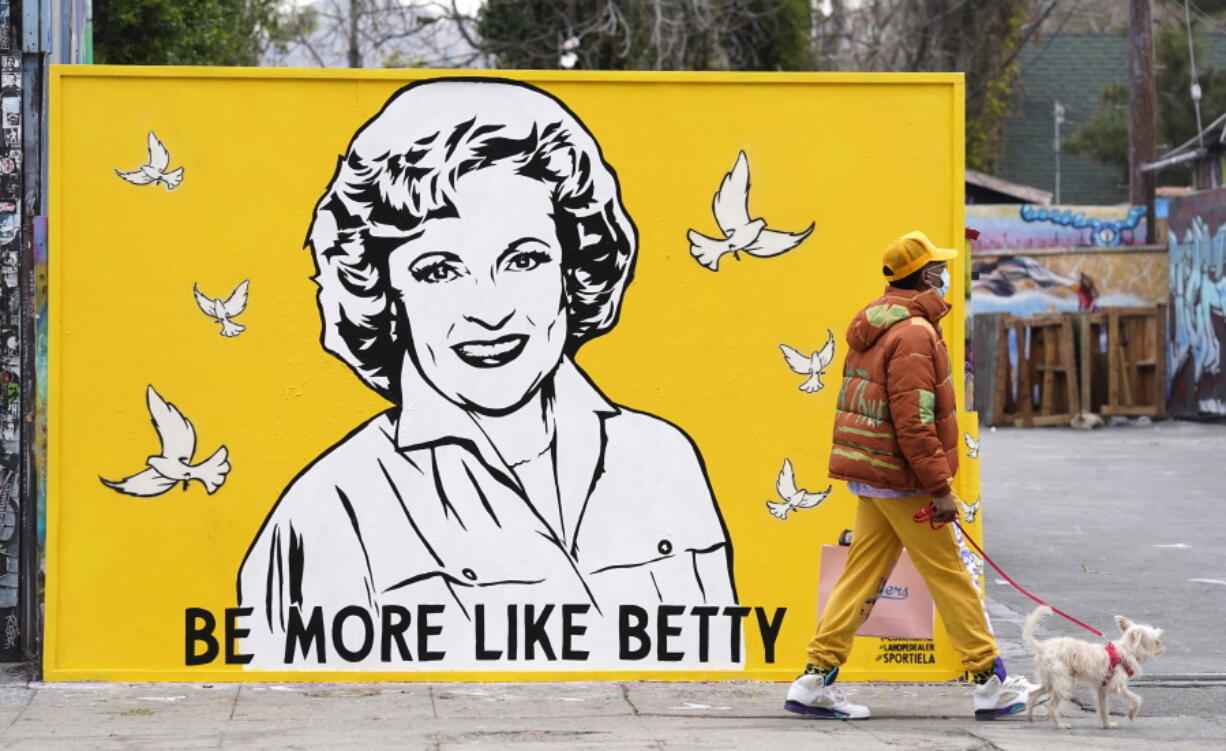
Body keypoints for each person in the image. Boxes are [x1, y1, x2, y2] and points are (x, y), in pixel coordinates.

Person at [237, 79, 737, 668]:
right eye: (439, 270)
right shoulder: (327, 510)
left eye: (523, 260)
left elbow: (715, 678)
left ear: (572, 270)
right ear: (385, 293)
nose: (490, 308)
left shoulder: (663, 460)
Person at [784, 230, 1038, 719]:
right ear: (925, 276)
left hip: (874, 474)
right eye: (940, 269)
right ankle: (991, 681)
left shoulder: (877, 324)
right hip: (903, 479)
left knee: (860, 576)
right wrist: (939, 487)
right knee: (949, 575)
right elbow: (913, 418)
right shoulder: (916, 333)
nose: (946, 276)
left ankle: (815, 677)